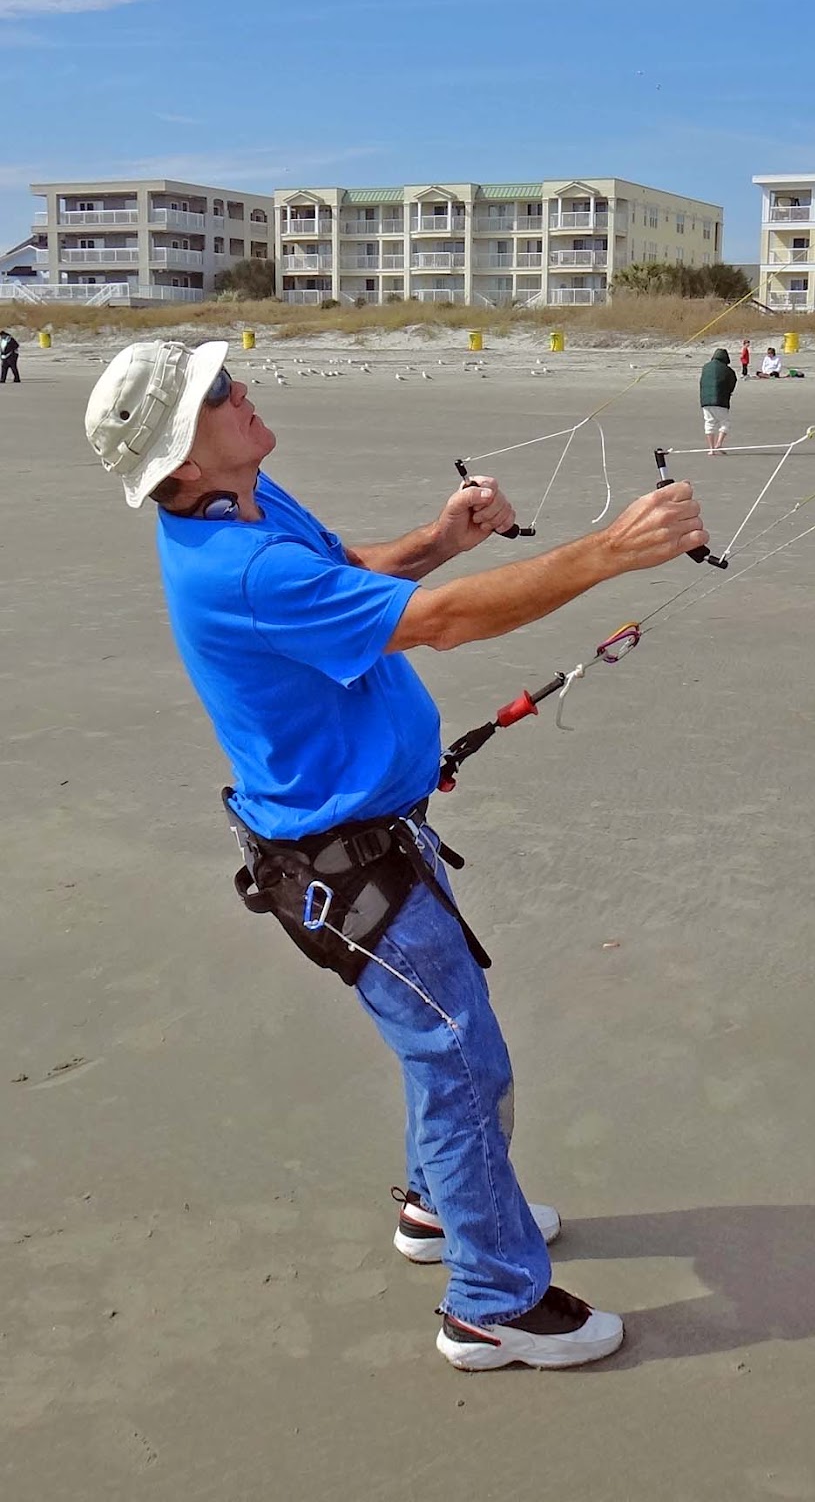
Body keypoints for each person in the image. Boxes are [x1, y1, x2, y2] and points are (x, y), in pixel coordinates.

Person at [84, 340, 707, 1373]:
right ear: (180, 464)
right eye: (218, 395)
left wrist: (440, 534)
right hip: (343, 866)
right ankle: (490, 1303)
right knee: (463, 1058)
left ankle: (436, 1206)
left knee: (447, 1050)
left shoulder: (241, 500)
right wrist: (609, 551)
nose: (244, 394)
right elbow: (441, 626)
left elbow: (349, 579)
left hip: (374, 839)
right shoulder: (237, 567)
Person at [700, 345, 736, 455]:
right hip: (721, 400)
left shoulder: (706, 367)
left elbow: (702, 382)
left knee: (709, 423)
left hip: (705, 400)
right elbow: (732, 383)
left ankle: (711, 449)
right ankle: (719, 443)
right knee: (725, 423)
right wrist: (729, 393)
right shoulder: (728, 370)